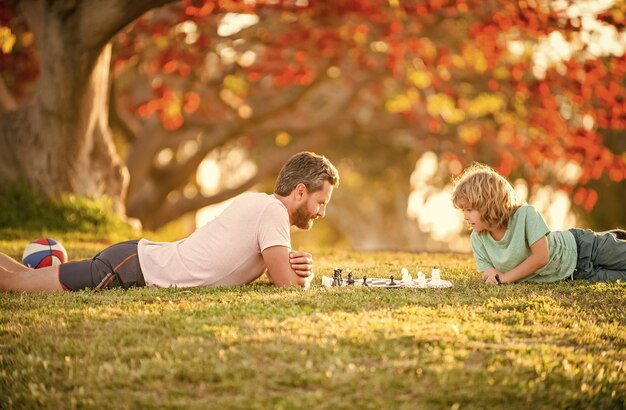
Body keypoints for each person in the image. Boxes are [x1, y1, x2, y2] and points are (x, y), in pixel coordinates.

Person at [0, 151, 339, 292]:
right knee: (17, 284)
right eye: (320, 202)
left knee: (23, 277)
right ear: (299, 191)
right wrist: (299, 274)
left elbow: (270, 270)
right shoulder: (273, 212)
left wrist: (292, 265)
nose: (321, 212)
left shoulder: (262, 207)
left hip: (135, 259)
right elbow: (285, 284)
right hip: (134, 267)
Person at [451, 162, 626, 285]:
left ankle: (609, 238)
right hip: (576, 275)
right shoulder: (478, 238)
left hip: (583, 248)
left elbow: (541, 257)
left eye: (469, 210)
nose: (465, 216)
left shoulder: (526, 215)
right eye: (462, 211)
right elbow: (488, 272)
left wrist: (504, 278)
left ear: (487, 203)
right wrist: (492, 277)